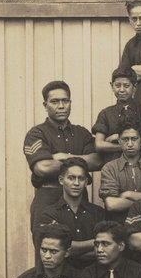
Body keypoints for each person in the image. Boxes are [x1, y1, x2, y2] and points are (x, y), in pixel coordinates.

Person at [24, 80, 99, 237]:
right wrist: (80, 161)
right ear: (45, 105)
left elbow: (97, 161)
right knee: (49, 249)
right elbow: (42, 167)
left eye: (65, 101)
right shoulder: (37, 133)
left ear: (70, 103)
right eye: (54, 101)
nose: (61, 106)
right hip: (48, 197)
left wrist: (62, 157)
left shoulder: (81, 133)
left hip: (79, 200)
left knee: (81, 246)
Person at [34, 157, 106, 271]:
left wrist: (68, 251)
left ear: (86, 182)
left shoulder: (97, 212)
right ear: (61, 180)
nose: (76, 183)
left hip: (92, 276)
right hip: (62, 276)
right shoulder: (49, 213)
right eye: (71, 178)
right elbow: (54, 248)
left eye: (80, 178)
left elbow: (106, 248)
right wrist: (95, 242)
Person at [98, 121, 141, 220]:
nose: (130, 144)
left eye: (134, 139)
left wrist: (130, 194)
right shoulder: (110, 168)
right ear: (119, 141)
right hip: (120, 225)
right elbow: (112, 204)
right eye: (125, 139)